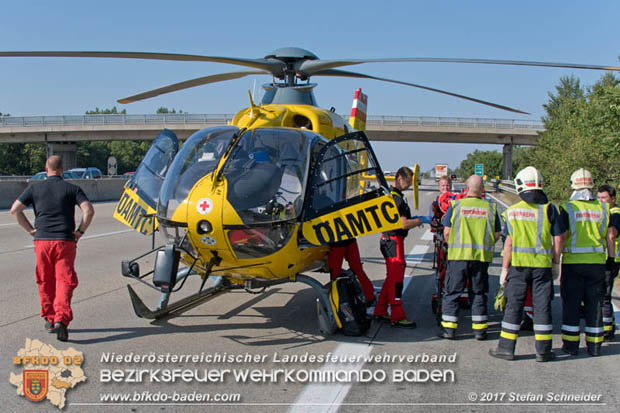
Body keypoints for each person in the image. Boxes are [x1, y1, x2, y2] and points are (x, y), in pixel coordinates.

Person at [10, 156, 94, 341]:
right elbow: (88, 210)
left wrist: (31, 230)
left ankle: (50, 318)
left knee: (44, 280)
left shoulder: (34, 188)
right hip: (65, 241)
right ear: (62, 169)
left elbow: (15, 209)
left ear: (45, 168)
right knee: (65, 281)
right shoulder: (72, 189)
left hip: (42, 241)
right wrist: (80, 231)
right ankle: (61, 320)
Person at [488, 167, 563, 362]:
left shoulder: (512, 212)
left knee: (513, 307)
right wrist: (556, 262)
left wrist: (504, 270)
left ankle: (505, 349)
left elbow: (509, 243)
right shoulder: (550, 209)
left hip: (518, 267)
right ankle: (544, 351)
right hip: (542, 268)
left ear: (520, 186)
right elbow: (558, 239)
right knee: (542, 308)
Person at [438, 174, 501, 340]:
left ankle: (449, 330)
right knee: (478, 293)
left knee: (452, 292)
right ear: (482, 190)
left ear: (466, 189)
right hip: (480, 258)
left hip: (458, 256)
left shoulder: (456, 205)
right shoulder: (491, 208)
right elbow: (496, 235)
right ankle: (480, 330)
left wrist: (453, 244)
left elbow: (447, 232)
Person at [558, 168, 613, 356]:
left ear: (573, 185)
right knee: (594, 305)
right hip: (597, 263)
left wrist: (555, 257)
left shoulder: (567, 208)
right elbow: (608, 236)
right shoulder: (603, 208)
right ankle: (595, 346)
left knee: (572, 305)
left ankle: (571, 346)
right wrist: (611, 259)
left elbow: (562, 235)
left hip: (573, 263)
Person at [374, 166, 423, 327]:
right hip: (394, 242)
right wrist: (420, 220)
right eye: (408, 182)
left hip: (388, 240)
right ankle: (397, 315)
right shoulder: (398, 199)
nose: (409, 185)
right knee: (396, 281)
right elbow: (403, 224)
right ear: (399, 178)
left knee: (390, 279)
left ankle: (380, 310)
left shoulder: (390, 195)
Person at [596, 184, 620, 340]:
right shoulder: (603, 212)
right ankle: (608, 324)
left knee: (604, 296)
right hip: (603, 258)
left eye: (603, 198)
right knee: (602, 294)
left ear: (612, 199)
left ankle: (606, 330)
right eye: (598, 198)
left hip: (611, 259)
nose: (600, 201)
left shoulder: (615, 213)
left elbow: (611, 235)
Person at [328, 239, 376, 305]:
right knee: (358, 270)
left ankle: (337, 302)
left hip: (336, 243)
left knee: (335, 276)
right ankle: (370, 296)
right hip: (350, 240)